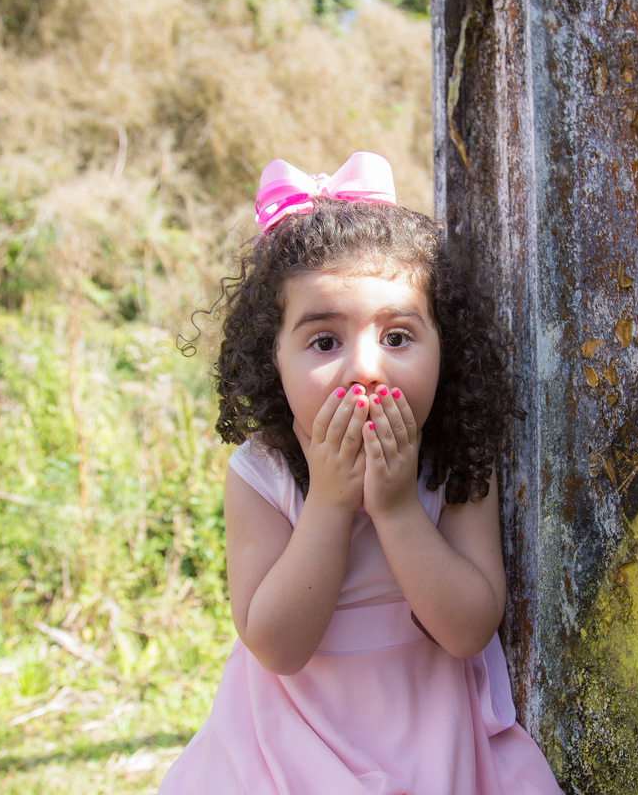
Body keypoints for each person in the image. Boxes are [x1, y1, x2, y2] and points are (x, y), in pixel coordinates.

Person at [160, 152, 562, 794]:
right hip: (286, 739)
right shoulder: (262, 474)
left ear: (444, 348)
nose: (365, 369)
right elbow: (276, 648)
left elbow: (465, 631)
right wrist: (329, 502)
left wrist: (399, 508)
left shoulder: (455, 457)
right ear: (274, 361)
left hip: (428, 727)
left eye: (398, 337)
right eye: (325, 341)